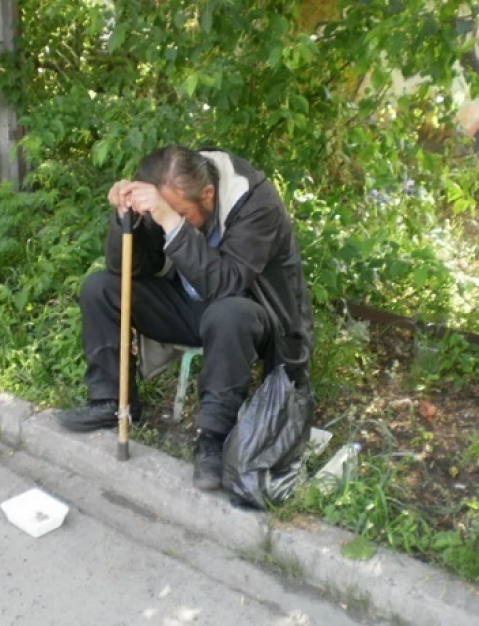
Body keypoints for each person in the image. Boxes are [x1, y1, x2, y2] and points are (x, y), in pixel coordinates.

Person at [58, 146, 313, 491]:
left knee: (226, 313)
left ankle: (212, 437)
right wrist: (126, 220)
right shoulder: (173, 192)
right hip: (187, 304)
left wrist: (169, 219)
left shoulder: (256, 201)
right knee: (100, 287)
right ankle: (111, 401)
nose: (167, 218)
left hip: (249, 315)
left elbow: (226, 284)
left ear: (207, 195)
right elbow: (126, 268)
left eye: (181, 213)